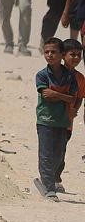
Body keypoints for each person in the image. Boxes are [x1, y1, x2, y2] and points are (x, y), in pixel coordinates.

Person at [33, 37, 77, 200]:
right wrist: (63, 96)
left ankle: (45, 180)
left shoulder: (70, 76)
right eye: (46, 52)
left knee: (58, 156)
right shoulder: (42, 75)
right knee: (46, 155)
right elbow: (46, 96)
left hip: (63, 121)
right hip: (45, 120)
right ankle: (49, 188)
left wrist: (56, 94)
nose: (49, 55)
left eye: (53, 52)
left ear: (62, 54)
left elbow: (73, 98)